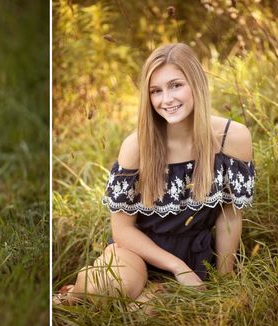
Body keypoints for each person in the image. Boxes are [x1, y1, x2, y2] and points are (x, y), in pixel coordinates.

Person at [57, 42, 254, 302]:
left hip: (194, 253)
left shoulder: (233, 138)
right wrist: (176, 267)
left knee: (143, 315)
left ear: (196, 84)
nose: (167, 99)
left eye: (175, 85)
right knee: (112, 287)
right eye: (156, 91)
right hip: (135, 252)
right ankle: (70, 296)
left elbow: (229, 217)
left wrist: (225, 283)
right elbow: (123, 230)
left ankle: (152, 292)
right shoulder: (137, 146)